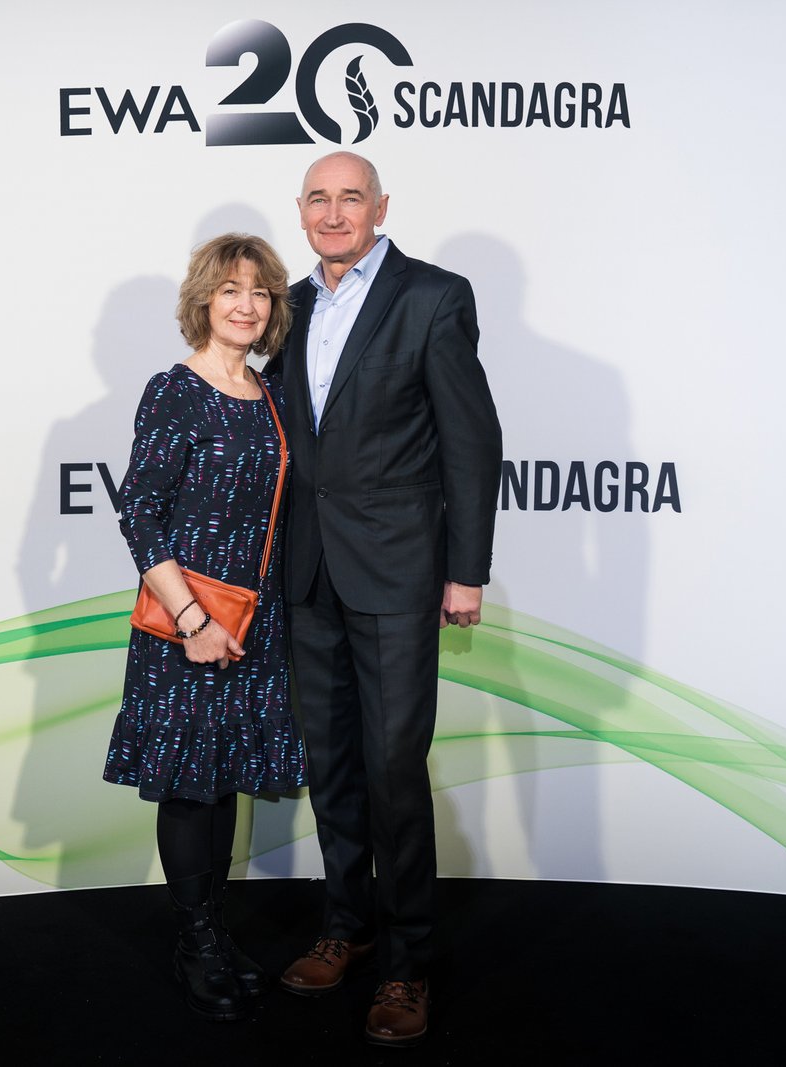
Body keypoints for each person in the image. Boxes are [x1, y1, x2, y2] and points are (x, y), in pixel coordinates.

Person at [266, 152, 501, 1047]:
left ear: (381, 206)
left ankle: (406, 964)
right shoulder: (288, 305)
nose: (334, 213)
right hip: (308, 571)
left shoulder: (432, 297)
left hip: (400, 571)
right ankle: (346, 923)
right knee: (331, 763)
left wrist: (466, 570)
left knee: (394, 768)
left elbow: (471, 441)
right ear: (300, 211)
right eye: (319, 199)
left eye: (350, 197)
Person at [104, 233, 305, 1021]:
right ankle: (194, 942)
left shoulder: (273, 395)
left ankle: (214, 931)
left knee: (223, 780)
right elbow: (138, 511)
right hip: (188, 625)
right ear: (203, 301)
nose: (246, 305)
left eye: (259, 292)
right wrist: (191, 619)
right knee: (192, 787)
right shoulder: (175, 390)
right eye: (230, 290)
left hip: (256, 624)